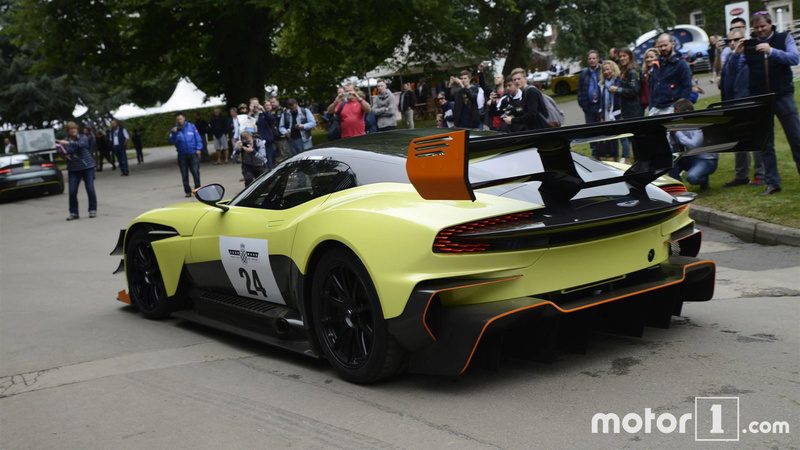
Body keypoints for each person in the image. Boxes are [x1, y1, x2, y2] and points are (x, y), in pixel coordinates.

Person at [731, 12, 800, 196]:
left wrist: (772, 51)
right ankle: (772, 182)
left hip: (783, 95)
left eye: (763, 26)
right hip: (761, 99)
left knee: (796, 138)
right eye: (757, 27)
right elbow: (736, 70)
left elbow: (794, 58)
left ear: (770, 24)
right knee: (766, 144)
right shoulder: (750, 45)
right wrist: (737, 55)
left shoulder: (783, 38)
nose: (760, 30)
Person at [719, 28, 765, 188]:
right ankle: (741, 175)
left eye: (736, 39)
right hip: (733, 104)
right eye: (730, 40)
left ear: (744, 39)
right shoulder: (731, 57)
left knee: (755, 140)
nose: (733, 43)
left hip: (750, 102)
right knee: (738, 141)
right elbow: (727, 80)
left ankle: (761, 175)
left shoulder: (752, 54)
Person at [668, 99, 715, 191]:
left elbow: (693, 145)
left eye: (677, 113)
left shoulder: (699, 123)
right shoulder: (681, 122)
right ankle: (677, 187)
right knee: (670, 157)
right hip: (691, 156)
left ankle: (704, 180)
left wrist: (677, 132)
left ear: (687, 112)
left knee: (692, 178)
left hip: (706, 160)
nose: (676, 116)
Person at [57, 122, 97, 220]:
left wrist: (67, 143)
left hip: (87, 167)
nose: (73, 130)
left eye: (74, 128)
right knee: (72, 191)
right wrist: (64, 155)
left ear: (77, 129)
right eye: (70, 129)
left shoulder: (83, 137)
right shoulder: (65, 141)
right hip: (74, 169)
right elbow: (62, 152)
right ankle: (74, 213)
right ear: (68, 131)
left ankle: (92, 210)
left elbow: (81, 145)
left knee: (90, 189)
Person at [610, 48, 643, 163]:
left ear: (630, 56)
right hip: (627, 111)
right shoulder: (625, 71)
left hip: (634, 112)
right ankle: (637, 162)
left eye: (624, 56)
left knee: (636, 140)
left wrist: (617, 90)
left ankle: (640, 162)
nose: (622, 58)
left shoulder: (633, 72)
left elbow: (634, 91)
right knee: (631, 139)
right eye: (620, 56)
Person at [649, 33, 693, 116]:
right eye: (660, 46)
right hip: (656, 108)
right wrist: (651, 105)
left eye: (665, 45)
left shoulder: (681, 63)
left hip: (672, 108)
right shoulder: (657, 63)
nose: (663, 48)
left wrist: (679, 108)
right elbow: (653, 85)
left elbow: (687, 87)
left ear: (673, 44)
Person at [168, 112, 203, 197]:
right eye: (178, 119)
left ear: (184, 118)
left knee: (195, 172)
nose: (179, 120)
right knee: (184, 174)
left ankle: (198, 190)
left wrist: (199, 148)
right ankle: (187, 191)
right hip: (182, 155)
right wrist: (175, 133)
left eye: (181, 118)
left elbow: (197, 137)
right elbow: (172, 141)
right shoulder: (174, 130)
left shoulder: (191, 126)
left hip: (192, 153)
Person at [578, 50, 603, 156]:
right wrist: (582, 103)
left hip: (601, 106)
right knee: (591, 130)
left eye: (594, 58)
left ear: (598, 59)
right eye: (590, 59)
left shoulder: (602, 70)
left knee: (602, 129)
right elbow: (579, 89)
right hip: (589, 107)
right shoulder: (584, 73)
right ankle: (594, 153)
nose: (592, 60)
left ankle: (604, 151)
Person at [599, 61, 622, 161]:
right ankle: (612, 156)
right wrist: (602, 115)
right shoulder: (604, 84)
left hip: (617, 112)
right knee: (611, 137)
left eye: (608, 69)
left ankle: (625, 158)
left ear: (613, 69)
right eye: (604, 70)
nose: (606, 72)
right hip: (607, 113)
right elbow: (602, 100)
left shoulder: (618, 81)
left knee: (622, 136)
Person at [270, 96, 290, 162]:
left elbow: (287, 122)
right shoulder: (269, 112)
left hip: (282, 136)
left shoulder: (283, 110)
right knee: (276, 157)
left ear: (277, 102)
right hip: (273, 137)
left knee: (285, 155)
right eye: (271, 102)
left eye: (273, 102)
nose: (272, 104)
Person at [640, 48, 659, 112]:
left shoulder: (661, 71)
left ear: (657, 57)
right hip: (650, 103)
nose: (649, 59)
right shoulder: (645, 73)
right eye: (647, 57)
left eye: (651, 57)